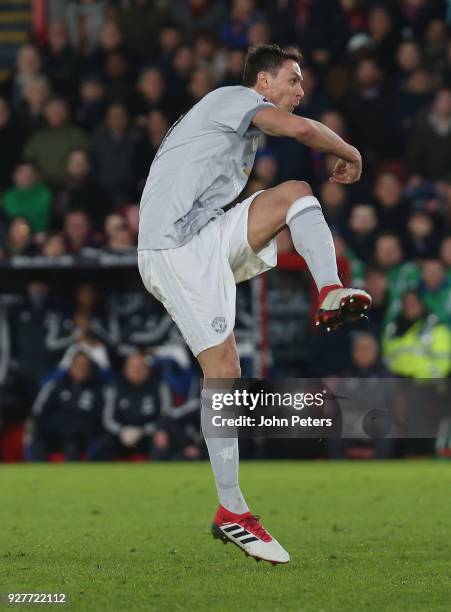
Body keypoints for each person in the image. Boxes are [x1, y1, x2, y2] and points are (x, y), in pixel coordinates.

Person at [137, 44, 371, 565]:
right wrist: (351, 152)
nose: (300, 91)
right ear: (262, 82)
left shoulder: (229, 123)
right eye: (293, 79)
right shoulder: (231, 98)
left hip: (203, 235)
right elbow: (304, 130)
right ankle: (232, 511)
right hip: (173, 248)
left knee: (294, 193)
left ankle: (330, 288)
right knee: (221, 368)